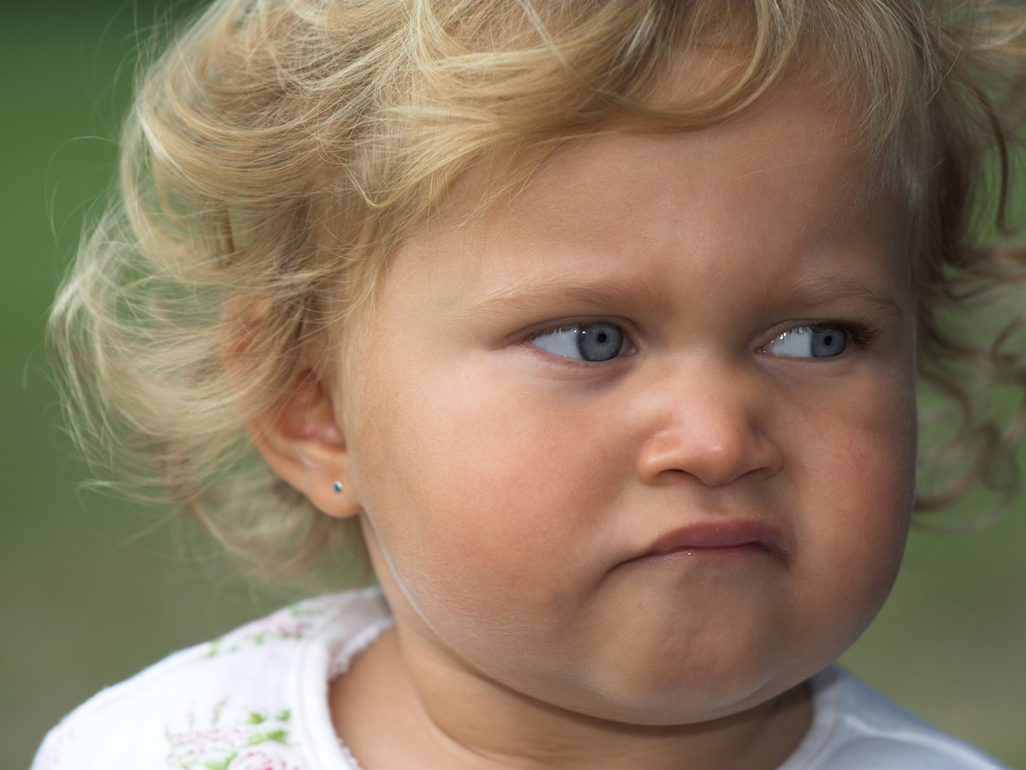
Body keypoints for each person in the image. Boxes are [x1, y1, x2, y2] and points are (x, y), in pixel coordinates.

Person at [32, 1, 1026, 768]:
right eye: (593, 339)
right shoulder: (153, 745)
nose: (718, 436)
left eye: (816, 337)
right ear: (317, 411)